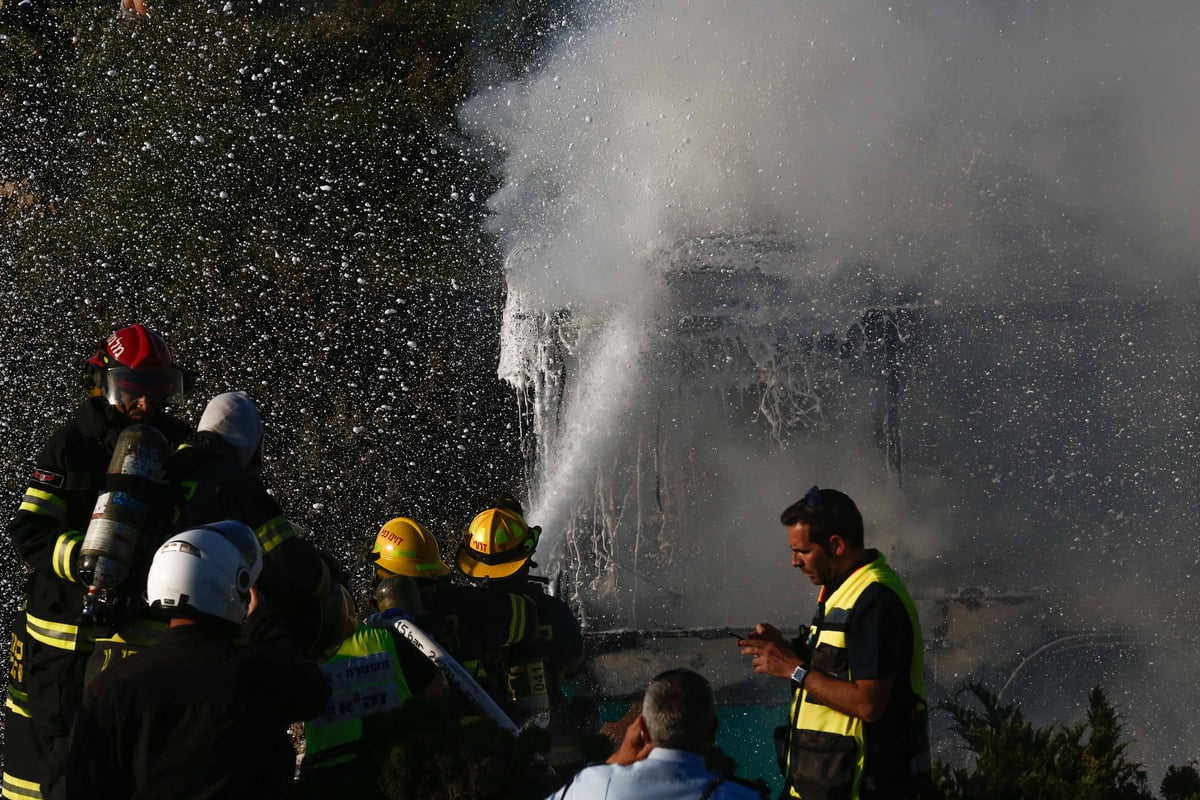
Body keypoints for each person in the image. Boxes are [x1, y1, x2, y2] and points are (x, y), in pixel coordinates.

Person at [6, 323, 193, 799]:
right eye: (132, 390)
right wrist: (87, 559)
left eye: (157, 390)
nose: (146, 404)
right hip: (62, 645)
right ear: (102, 383)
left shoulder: (180, 449)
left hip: (136, 641)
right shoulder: (74, 444)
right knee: (51, 767)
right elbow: (29, 529)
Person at [64, 521, 331, 799]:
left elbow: (84, 787)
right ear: (234, 590)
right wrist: (264, 624)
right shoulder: (259, 675)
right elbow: (314, 693)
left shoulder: (111, 687)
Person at [737, 487, 931, 800]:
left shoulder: (875, 599)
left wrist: (794, 668)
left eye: (802, 551)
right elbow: (840, 668)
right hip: (827, 786)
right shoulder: (843, 590)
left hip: (865, 788)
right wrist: (786, 650)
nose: (794, 562)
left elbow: (869, 704)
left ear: (836, 545)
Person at [456, 499, 586, 767]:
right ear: (527, 554)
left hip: (478, 749)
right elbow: (574, 665)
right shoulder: (553, 612)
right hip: (543, 746)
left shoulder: (458, 613)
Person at [368, 515, 539, 716]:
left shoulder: (370, 631)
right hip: (485, 728)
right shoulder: (471, 604)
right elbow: (527, 616)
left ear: (381, 575)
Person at [296, 574, 442, 799]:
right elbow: (435, 690)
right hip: (398, 769)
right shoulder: (387, 638)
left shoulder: (300, 660)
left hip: (330, 781)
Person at [544, 668, 765, 800]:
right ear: (712, 732)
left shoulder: (594, 784)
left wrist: (615, 761)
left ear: (641, 730)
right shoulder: (739, 796)